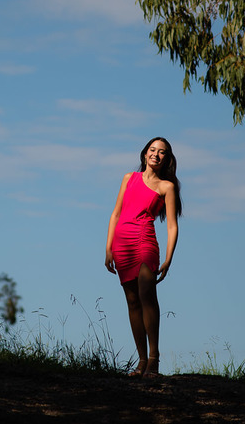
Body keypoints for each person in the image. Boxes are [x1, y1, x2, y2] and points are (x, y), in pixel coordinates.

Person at [105, 136, 181, 377]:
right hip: (122, 244)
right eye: (152, 149)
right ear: (144, 153)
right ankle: (140, 361)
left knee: (147, 295)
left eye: (162, 152)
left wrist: (168, 258)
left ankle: (154, 359)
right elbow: (115, 213)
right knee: (132, 301)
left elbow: (171, 226)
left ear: (166, 159)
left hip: (144, 242)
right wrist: (108, 248)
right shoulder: (129, 178)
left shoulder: (166, 187)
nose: (155, 154)